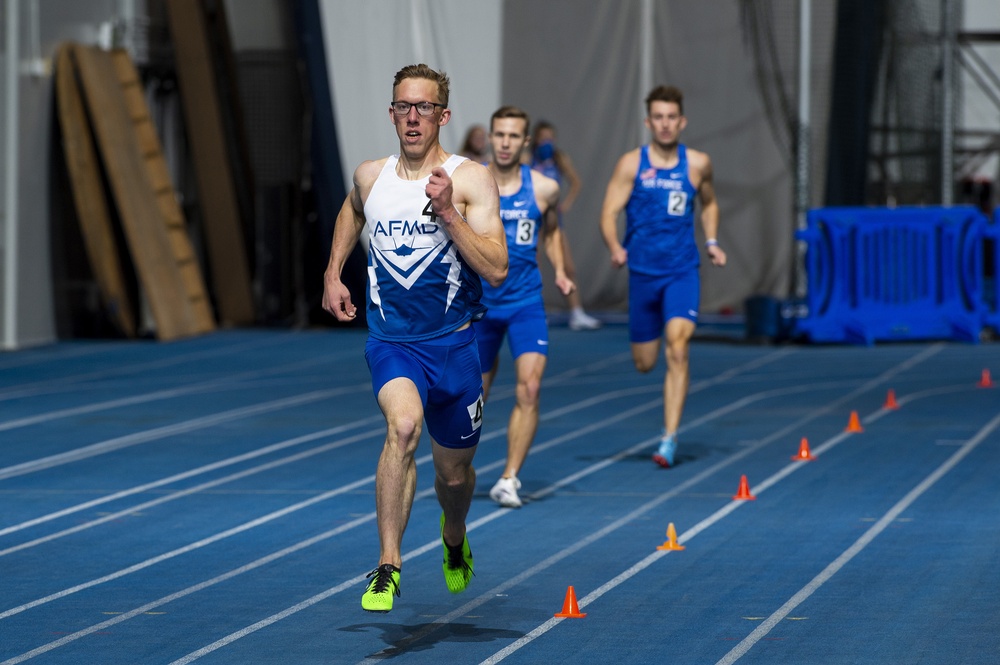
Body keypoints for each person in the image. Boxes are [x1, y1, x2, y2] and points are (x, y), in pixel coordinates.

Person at [322, 64, 508, 613]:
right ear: (391, 112)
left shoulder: (470, 179)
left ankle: (454, 536)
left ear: (442, 116)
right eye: (403, 106)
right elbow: (352, 211)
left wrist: (449, 213)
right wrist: (333, 271)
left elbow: (497, 269)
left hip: (454, 348)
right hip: (393, 343)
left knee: (454, 478)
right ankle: (388, 565)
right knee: (401, 428)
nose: (412, 117)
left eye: (423, 107)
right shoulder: (370, 175)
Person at [598, 85, 726, 469]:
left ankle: (669, 438)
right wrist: (616, 247)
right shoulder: (631, 165)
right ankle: (664, 422)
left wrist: (713, 240)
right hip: (642, 275)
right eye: (659, 117)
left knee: (678, 347)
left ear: (681, 121)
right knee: (645, 362)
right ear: (648, 121)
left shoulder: (698, 163)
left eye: (672, 117)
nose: (666, 124)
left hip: (682, 271)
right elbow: (608, 212)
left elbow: (710, 203)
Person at [475, 106, 575, 508]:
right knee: (472, 397)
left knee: (530, 388)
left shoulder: (545, 188)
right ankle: (458, 468)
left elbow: (550, 233)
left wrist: (562, 270)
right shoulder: (471, 181)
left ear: (525, 142)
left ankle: (509, 478)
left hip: (524, 301)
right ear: (490, 137)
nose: (504, 142)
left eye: (513, 136)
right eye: (499, 134)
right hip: (479, 304)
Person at [529, 121, 602, 331]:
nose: (547, 142)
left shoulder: (559, 159)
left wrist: (566, 204)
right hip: (533, 220)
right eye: (543, 138)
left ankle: (577, 312)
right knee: (533, 267)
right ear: (535, 139)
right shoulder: (528, 159)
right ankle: (535, 313)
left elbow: (576, 182)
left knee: (568, 267)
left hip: (553, 220)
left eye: (550, 138)